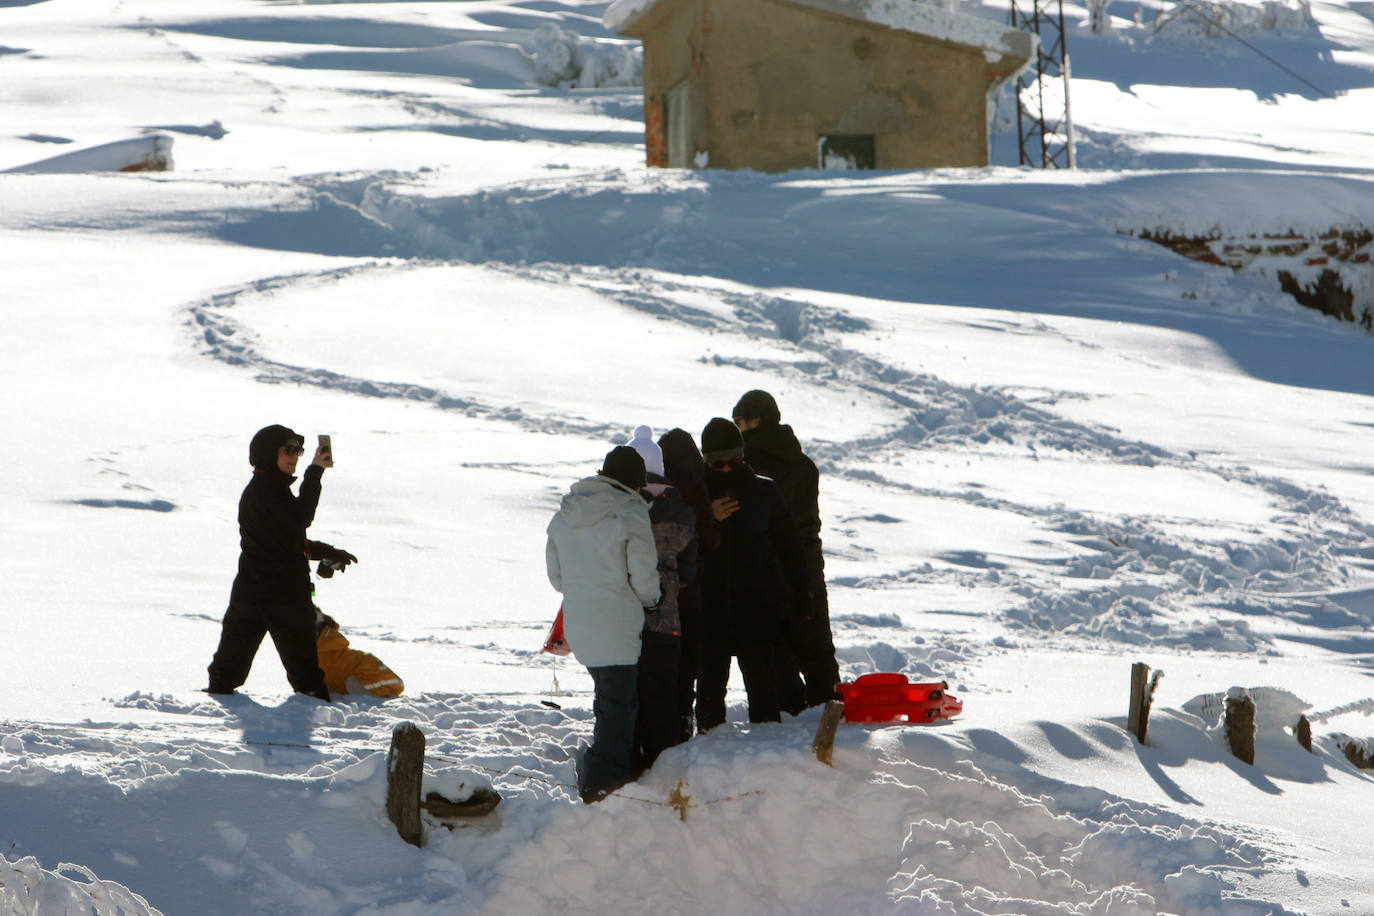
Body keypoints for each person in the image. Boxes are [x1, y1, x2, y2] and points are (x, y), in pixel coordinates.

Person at [207, 425, 357, 700]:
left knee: (225, 677)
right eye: (288, 450)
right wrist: (314, 472)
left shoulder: (267, 489)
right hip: (282, 594)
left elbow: (287, 540)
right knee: (308, 681)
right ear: (268, 453)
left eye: (298, 451)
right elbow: (300, 520)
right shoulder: (266, 490)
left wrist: (326, 553)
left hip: (253, 590)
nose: (295, 456)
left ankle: (219, 708)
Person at [545, 446, 661, 803]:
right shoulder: (630, 512)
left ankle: (613, 772)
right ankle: (605, 787)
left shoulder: (565, 512)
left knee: (611, 700)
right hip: (618, 625)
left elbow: (556, 577)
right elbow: (643, 574)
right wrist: (652, 599)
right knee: (618, 707)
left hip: (582, 625)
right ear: (635, 483)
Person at [695, 418, 811, 731]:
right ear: (706, 461)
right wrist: (708, 516)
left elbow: (791, 548)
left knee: (764, 699)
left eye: (735, 460)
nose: (729, 469)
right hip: (711, 609)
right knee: (709, 699)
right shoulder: (696, 496)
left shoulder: (764, 492)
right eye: (719, 464)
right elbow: (680, 545)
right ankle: (705, 761)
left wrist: (803, 594)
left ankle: (767, 762)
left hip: (757, 608)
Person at [733, 389, 841, 711]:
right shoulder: (804, 463)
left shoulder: (748, 465)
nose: (737, 428)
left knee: (777, 647)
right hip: (808, 561)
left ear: (756, 421)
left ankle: (791, 716)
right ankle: (832, 712)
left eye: (740, 421)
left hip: (769, 563)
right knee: (817, 643)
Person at [625, 425, 697, 770]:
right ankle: (662, 768)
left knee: (627, 696)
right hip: (667, 618)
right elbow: (689, 570)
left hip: (623, 617)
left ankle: (627, 765)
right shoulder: (681, 510)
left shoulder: (620, 506)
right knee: (662, 695)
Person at [658, 427, 719, 743]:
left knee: (657, 672)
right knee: (685, 674)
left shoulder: (650, 487)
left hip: (653, 599)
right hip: (690, 596)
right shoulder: (695, 488)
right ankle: (682, 729)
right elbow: (711, 540)